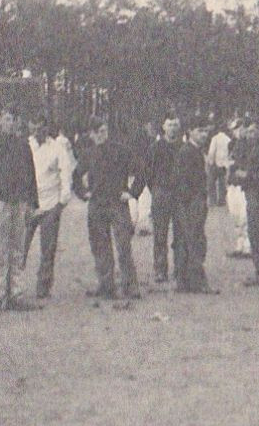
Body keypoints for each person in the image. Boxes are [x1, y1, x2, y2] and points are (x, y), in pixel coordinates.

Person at [0, 106, 40, 313]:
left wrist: (32, 204)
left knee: (18, 250)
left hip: (20, 203)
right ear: (1, 121)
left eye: (15, 119)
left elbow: (31, 176)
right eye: (8, 119)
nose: (12, 123)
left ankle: (16, 295)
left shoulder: (24, 146)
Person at [74, 116, 145, 300]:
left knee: (123, 246)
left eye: (103, 131)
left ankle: (130, 286)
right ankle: (106, 286)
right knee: (100, 246)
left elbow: (141, 171)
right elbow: (76, 176)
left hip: (117, 204)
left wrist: (131, 192)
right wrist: (83, 194)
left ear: (108, 131)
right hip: (97, 204)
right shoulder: (88, 154)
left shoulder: (121, 151)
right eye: (96, 132)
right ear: (91, 134)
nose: (100, 135)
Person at [24, 112, 75, 300]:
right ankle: (15, 285)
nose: (38, 131)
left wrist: (62, 201)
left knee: (48, 248)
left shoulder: (57, 148)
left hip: (50, 203)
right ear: (30, 126)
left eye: (42, 127)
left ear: (47, 128)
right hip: (28, 204)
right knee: (20, 246)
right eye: (34, 126)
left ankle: (43, 286)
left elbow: (65, 173)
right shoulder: (25, 146)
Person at [170, 118, 216, 293]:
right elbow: (182, 180)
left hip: (191, 201)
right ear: (189, 132)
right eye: (199, 130)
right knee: (194, 240)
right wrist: (191, 201)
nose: (203, 134)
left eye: (205, 131)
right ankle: (197, 281)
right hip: (190, 202)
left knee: (188, 239)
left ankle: (185, 281)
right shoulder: (187, 152)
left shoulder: (193, 150)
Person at [230, 115, 259, 286]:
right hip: (255, 193)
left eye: (253, 131)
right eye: (248, 131)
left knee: (256, 232)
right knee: (257, 232)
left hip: (258, 193)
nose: (250, 134)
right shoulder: (256, 146)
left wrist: (245, 175)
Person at [145, 114, 183, 283]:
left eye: (175, 125)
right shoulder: (155, 148)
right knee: (160, 234)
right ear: (163, 127)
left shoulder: (184, 147)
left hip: (180, 196)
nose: (172, 128)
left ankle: (181, 268)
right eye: (169, 125)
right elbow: (147, 172)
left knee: (181, 234)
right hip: (161, 194)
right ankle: (160, 270)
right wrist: (155, 189)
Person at [207, 120, 232, 207]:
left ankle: (212, 200)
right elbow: (229, 152)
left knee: (212, 182)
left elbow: (212, 151)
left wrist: (210, 162)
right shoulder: (228, 139)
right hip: (224, 164)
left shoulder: (215, 138)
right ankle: (221, 201)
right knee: (222, 183)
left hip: (215, 163)